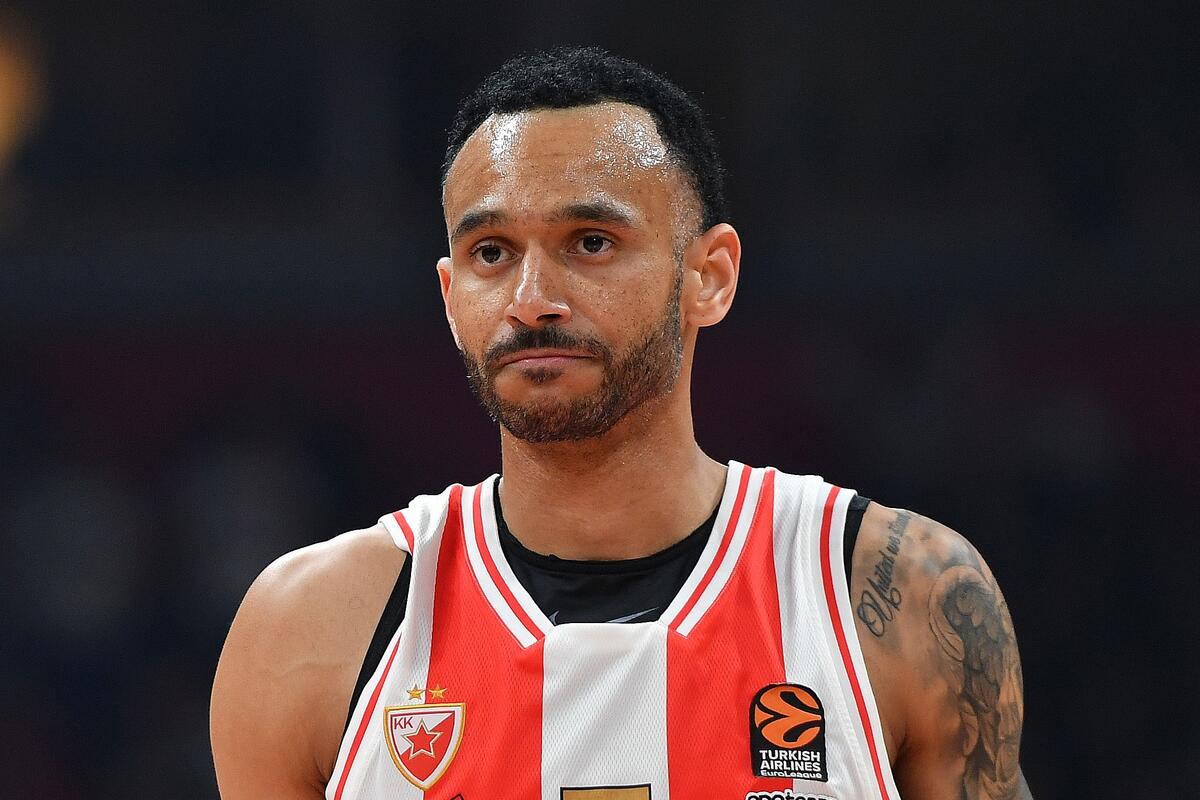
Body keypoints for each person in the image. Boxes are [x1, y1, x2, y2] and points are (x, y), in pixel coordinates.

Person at [211, 47, 1032, 800]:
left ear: (710, 276)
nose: (532, 300)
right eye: (491, 251)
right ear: (451, 297)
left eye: (591, 242)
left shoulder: (903, 595)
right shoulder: (308, 629)